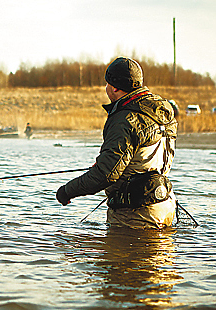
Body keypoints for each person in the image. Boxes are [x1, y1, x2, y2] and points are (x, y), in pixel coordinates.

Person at [56, 57, 178, 229]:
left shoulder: (125, 119)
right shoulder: (161, 111)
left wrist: (66, 191)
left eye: (107, 83)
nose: (106, 88)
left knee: (121, 255)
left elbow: (106, 174)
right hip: (165, 205)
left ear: (114, 87)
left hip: (136, 214)